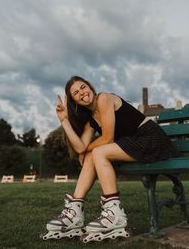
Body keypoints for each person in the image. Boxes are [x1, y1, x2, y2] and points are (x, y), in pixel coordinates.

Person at [42, 75, 181, 243]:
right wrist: (64, 120)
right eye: (76, 93)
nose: (82, 93)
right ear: (75, 102)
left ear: (90, 87)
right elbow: (79, 146)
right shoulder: (90, 120)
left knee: (97, 152)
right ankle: (74, 213)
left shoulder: (104, 98)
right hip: (132, 144)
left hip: (151, 139)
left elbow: (107, 138)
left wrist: (86, 151)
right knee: (93, 154)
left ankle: (114, 214)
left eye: (83, 87)